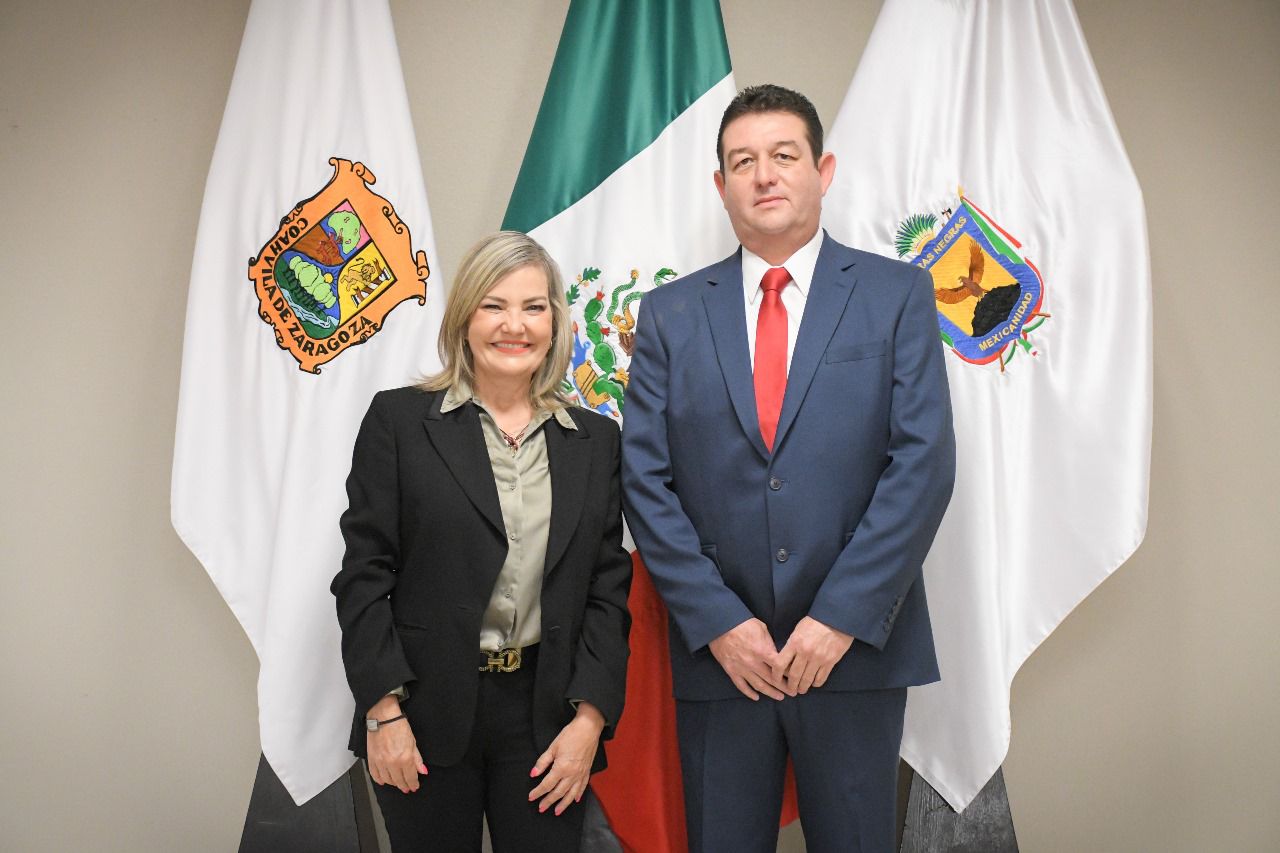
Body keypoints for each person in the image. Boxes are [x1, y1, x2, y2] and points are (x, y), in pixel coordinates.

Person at [621, 85, 956, 852]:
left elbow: (922, 464)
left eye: (783, 155)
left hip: (854, 651)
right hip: (724, 660)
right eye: (743, 161)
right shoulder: (669, 314)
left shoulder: (895, 293)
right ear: (721, 186)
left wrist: (837, 617)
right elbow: (645, 481)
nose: (764, 174)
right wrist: (720, 623)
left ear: (822, 168)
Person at [332, 231, 632, 852]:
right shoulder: (400, 422)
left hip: (548, 718)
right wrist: (383, 713)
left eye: (533, 306)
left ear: (555, 319)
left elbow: (608, 588)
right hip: (422, 714)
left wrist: (590, 720)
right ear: (464, 317)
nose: (513, 325)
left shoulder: (595, 441)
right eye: (494, 306)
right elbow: (363, 578)